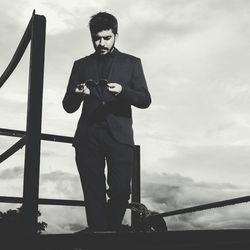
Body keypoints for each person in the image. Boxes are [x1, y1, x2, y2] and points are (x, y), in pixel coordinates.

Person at [62, 12, 151, 232]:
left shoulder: (132, 63)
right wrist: (78, 93)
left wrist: (123, 91)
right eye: (97, 38)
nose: (101, 43)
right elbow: (68, 106)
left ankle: (108, 234)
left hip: (119, 137)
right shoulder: (80, 65)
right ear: (92, 37)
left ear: (116, 36)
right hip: (87, 137)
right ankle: (101, 239)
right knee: (93, 193)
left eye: (107, 38)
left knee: (121, 191)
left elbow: (145, 100)